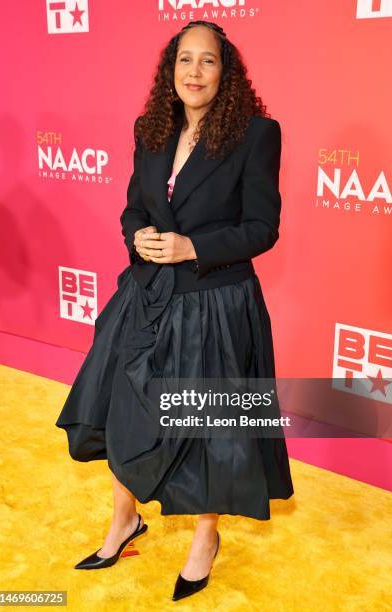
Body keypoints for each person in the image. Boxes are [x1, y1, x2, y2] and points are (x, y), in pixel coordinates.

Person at [56, 20, 294, 602]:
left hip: (216, 301)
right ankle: (123, 519)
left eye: (207, 61)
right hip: (148, 295)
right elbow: (134, 209)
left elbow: (263, 228)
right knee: (121, 406)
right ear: (171, 69)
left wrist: (195, 247)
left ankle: (205, 538)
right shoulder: (150, 129)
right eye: (184, 60)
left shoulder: (256, 134)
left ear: (225, 71)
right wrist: (138, 237)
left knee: (211, 429)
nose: (193, 72)